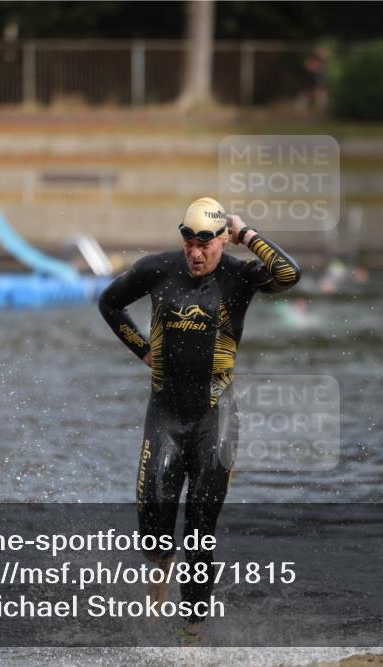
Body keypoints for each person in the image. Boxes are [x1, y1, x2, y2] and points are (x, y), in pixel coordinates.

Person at [97, 197, 301, 644]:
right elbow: (109, 304)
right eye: (189, 242)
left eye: (205, 244)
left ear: (222, 240)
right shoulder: (157, 269)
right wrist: (142, 350)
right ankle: (160, 570)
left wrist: (247, 234)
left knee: (201, 528)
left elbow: (290, 274)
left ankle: (193, 633)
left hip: (215, 417)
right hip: (165, 415)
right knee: (153, 528)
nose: (195, 253)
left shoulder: (240, 276)